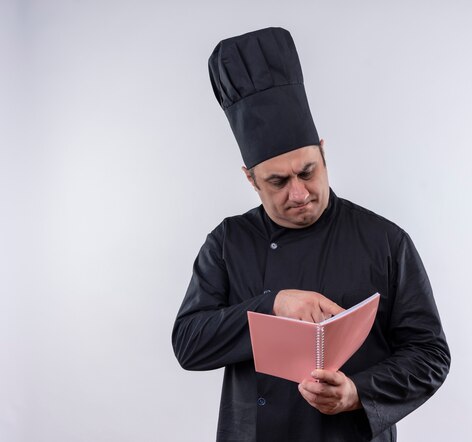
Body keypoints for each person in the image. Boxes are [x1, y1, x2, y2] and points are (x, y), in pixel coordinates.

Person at [172, 27, 450, 442]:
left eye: (307, 171)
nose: (299, 193)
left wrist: (359, 392)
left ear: (322, 151)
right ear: (250, 179)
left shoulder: (385, 241)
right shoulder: (228, 242)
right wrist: (273, 305)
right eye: (277, 181)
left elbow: (429, 355)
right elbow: (189, 344)